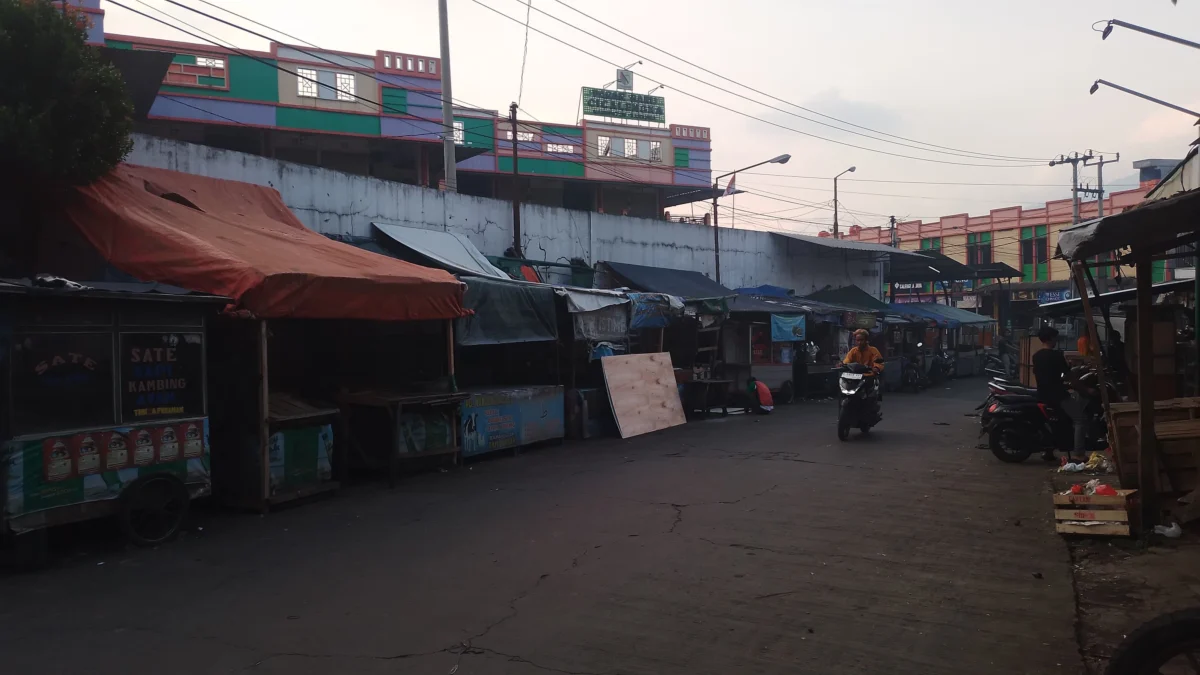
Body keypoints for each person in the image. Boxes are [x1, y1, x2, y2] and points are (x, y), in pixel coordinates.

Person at [1033, 325, 1085, 462]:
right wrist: (1082, 387)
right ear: (1050, 338)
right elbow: (1068, 375)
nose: (1056, 340)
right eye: (1055, 337)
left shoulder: (1036, 356)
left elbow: (1044, 375)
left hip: (1042, 394)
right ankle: (1078, 453)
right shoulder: (1056, 355)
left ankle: (1048, 451)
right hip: (1057, 395)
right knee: (1080, 419)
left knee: (1051, 422)